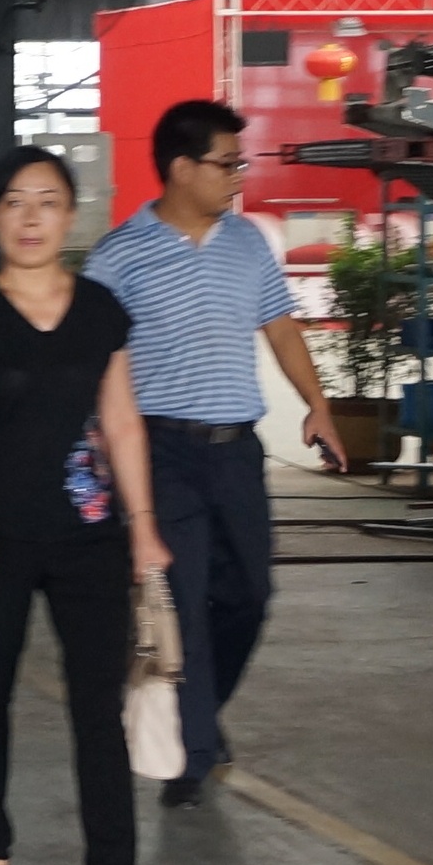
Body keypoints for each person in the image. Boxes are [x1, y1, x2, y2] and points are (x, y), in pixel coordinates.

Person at [0, 147, 167, 865]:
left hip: (89, 537)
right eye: (15, 202)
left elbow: (122, 423)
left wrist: (142, 525)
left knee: (98, 709)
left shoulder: (101, 311)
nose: (30, 218)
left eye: (48, 202)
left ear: (70, 216)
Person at [86, 98, 344, 810]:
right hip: (161, 453)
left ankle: (201, 717)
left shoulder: (247, 244)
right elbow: (93, 360)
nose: (238, 176)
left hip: (236, 452)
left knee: (249, 597)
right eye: (227, 164)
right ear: (180, 168)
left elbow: (281, 327)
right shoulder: (119, 256)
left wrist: (317, 405)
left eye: (239, 163)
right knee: (184, 605)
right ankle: (191, 755)